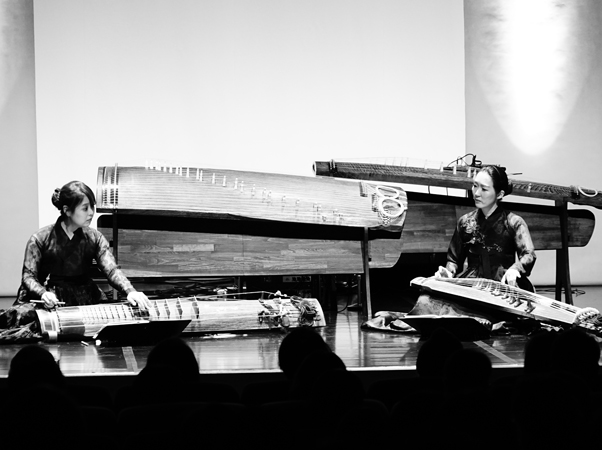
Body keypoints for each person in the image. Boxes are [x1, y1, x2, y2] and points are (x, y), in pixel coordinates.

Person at [0, 181, 151, 341]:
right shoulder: (40, 238)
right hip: (52, 298)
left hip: (84, 296)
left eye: (92, 207)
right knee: (19, 324)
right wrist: (43, 294)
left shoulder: (94, 237)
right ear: (67, 210)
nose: (91, 213)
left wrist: (130, 291)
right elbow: (28, 277)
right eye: (85, 208)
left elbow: (111, 269)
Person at [408, 165, 536, 323]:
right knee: (426, 299)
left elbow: (528, 254)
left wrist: (516, 269)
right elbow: (454, 260)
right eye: (475, 185)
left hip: (501, 283)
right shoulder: (465, 222)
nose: (476, 193)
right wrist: (448, 273)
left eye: (484, 189)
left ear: (500, 194)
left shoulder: (513, 222)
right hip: (471, 284)